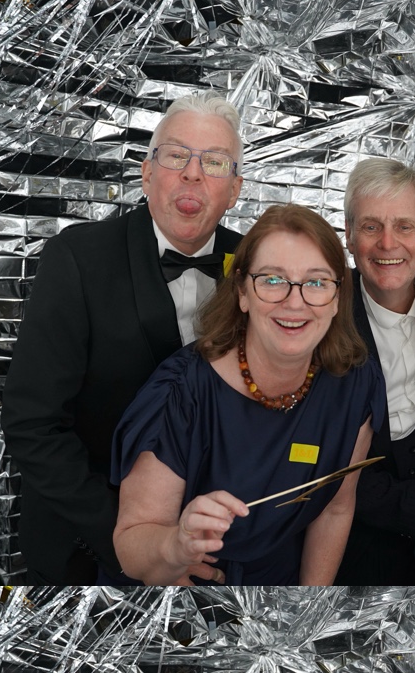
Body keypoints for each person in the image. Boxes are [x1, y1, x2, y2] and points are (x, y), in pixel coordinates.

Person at [3, 91, 247, 584]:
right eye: (176, 156)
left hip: (217, 551)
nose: (193, 174)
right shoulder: (78, 258)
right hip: (91, 549)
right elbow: (33, 425)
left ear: (235, 190)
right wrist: (140, 545)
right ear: (147, 173)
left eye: (215, 162)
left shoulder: (258, 266)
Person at [112, 204, 383, 585]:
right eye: (272, 279)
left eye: (317, 282)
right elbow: (131, 545)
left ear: (338, 298)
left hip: (277, 592)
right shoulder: (180, 391)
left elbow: (335, 509)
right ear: (242, 292)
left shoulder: (355, 384)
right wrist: (176, 545)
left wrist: (308, 606)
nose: (295, 302)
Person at [332, 159, 415, 586]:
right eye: (371, 227)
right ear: (349, 235)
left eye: (404, 226)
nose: (388, 243)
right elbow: (311, 463)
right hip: (351, 553)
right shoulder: (319, 317)